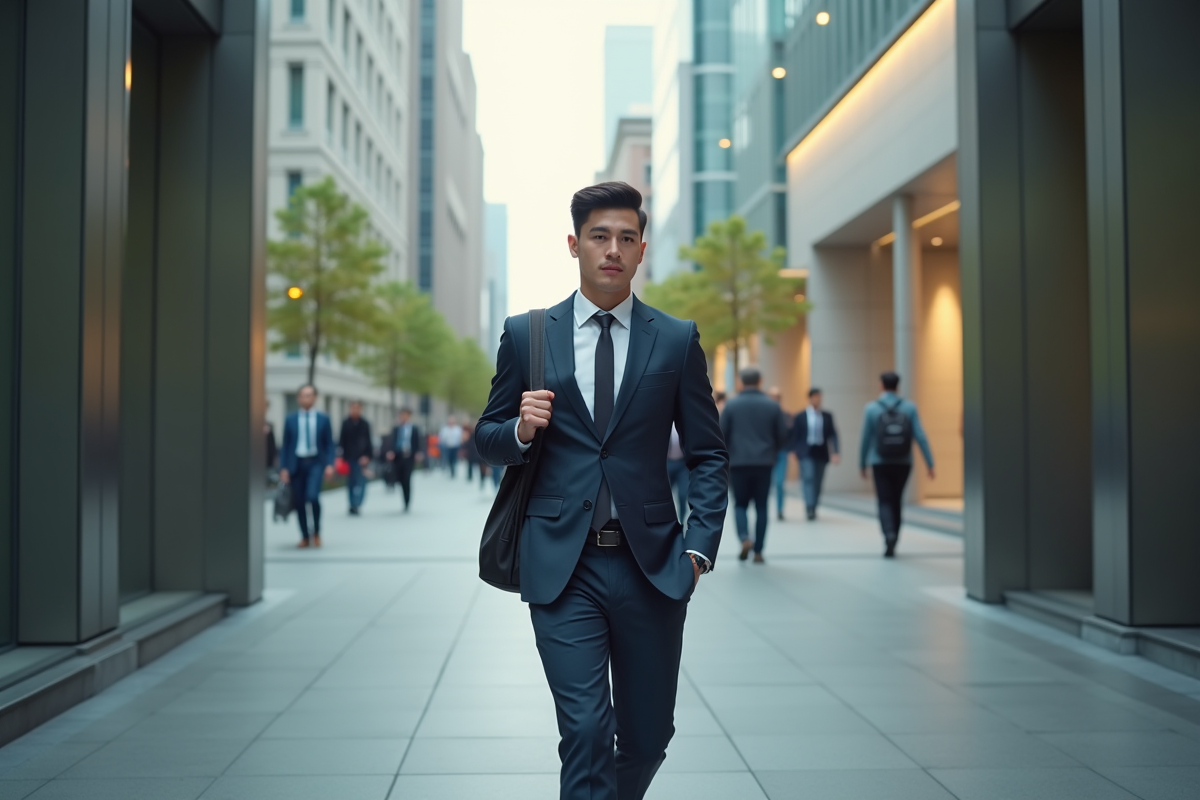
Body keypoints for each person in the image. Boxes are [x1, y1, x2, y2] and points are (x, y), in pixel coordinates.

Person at [475, 181, 728, 800]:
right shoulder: (526, 334)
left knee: (646, 737)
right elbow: (485, 437)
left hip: (653, 565)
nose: (612, 249)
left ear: (642, 250)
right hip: (562, 564)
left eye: (625, 238)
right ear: (574, 245)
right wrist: (520, 430)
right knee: (586, 731)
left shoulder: (675, 339)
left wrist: (698, 549)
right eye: (598, 237)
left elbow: (708, 453)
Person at [859, 371, 934, 557]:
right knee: (897, 500)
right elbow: (920, 436)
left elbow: (865, 438)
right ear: (898, 386)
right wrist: (930, 463)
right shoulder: (909, 408)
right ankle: (896, 537)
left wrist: (862, 463)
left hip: (879, 461)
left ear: (881, 385)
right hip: (903, 461)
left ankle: (888, 534)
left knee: (884, 500)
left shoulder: (871, 408)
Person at [720, 367, 789, 563]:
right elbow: (782, 436)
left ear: (741, 382)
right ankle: (758, 551)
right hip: (764, 463)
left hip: (739, 463)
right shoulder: (772, 405)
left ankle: (744, 538)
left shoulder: (731, 405)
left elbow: (721, 434)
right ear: (760, 381)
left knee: (740, 504)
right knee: (761, 507)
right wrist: (772, 452)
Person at [279, 384, 335, 548]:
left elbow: (329, 444)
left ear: (315, 397)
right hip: (296, 464)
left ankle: (316, 532)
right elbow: (285, 445)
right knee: (300, 501)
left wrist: (330, 464)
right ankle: (304, 536)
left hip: (316, 463)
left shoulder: (323, 419)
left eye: (309, 395)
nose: (306, 398)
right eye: (303, 395)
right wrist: (283, 468)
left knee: (313, 497)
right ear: (298, 398)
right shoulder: (290, 419)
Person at [792, 387, 840, 520]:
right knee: (808, 478)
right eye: (814, 397)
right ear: (810, 398)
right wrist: (794, 450)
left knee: (818, 481)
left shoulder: (827, 416)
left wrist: (835, 451)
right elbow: (795, 435)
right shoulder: (800, 416)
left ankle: (814, 505)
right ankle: (809, 506)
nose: (817, 400)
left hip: (821, 451)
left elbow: (833, 434)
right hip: (806, 451)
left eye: (819, 397)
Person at [338, 401, 373, 515]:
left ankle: (358, 504)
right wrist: (341, 457)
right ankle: (352, 504)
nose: (355, 410)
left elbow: (369, 442)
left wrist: (367, 456)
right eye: (353, 408)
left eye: (357, 408)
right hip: (349, 458)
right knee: (351, 482)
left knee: (361, 482)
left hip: (362, 458)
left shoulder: (365, 424)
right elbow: (341, 441)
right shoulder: (345, 423)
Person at [386, 407, 423, 512]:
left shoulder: (414, 429)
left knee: (407, 479)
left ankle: (407, 501)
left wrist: (418, 453)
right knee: (400, 478)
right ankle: (403, 495)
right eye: (401, 415)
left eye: (405, 415)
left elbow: (418, 442)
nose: (403, 417)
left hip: (409, 456)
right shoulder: (396, 428)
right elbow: (391, 442)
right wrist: (390, 452)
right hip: (398, 456)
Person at [767, 387, 791, 520]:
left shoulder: (786, 415)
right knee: (766, 483)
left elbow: (790, 434)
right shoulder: (763, 414)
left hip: (781, 453)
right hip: (766, 453)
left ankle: (780, 509)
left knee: (780, 482)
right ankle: (763, 508)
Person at [665, 424, 688, 522]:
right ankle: (668, 520)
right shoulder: (664, 423)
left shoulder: (684, 424)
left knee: (683, 494)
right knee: (666, 494)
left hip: (682, 464)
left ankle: (682, 519)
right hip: (667, 463)